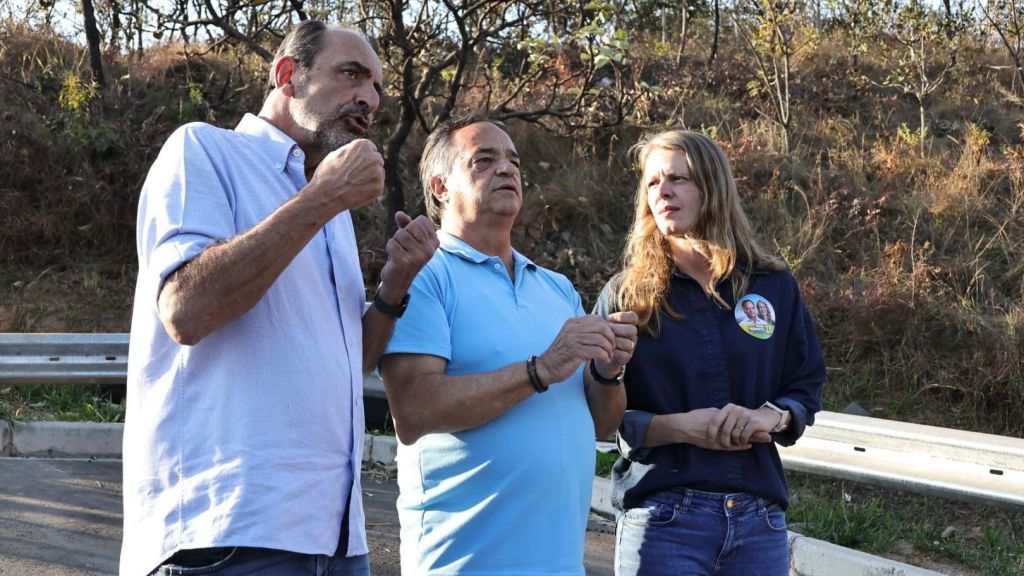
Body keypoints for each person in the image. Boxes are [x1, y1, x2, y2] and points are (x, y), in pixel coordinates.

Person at [121, 21, 438, 576]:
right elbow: (185, 310)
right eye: (351, 74)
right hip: (225, 535)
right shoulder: (204, 150)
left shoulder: (330, 209)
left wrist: (393, 287)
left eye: (379, 87)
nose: (370, 97)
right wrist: (323, 197)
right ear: (287, 76)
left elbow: (347, 366)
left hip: (336, 540)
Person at [378, 113, 640, 574]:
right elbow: (414, 412)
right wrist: (540, 369)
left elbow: (602, 424)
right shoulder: (424, 274)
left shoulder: (557, 288)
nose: (507, 169)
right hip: (464, 562)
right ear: (440, 187)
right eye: (484, 159)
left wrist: (609, 372)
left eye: (514, 161)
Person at [595, 129, 825, 576]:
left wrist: (769, 416)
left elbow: (806, 382)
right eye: (652, 183)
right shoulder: (627, 296)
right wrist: (683, 428)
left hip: (760, 522)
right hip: (663, 520)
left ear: (712, 188)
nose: (663, 191)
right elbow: (604, 422)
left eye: (678, 179)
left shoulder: (773, 285)